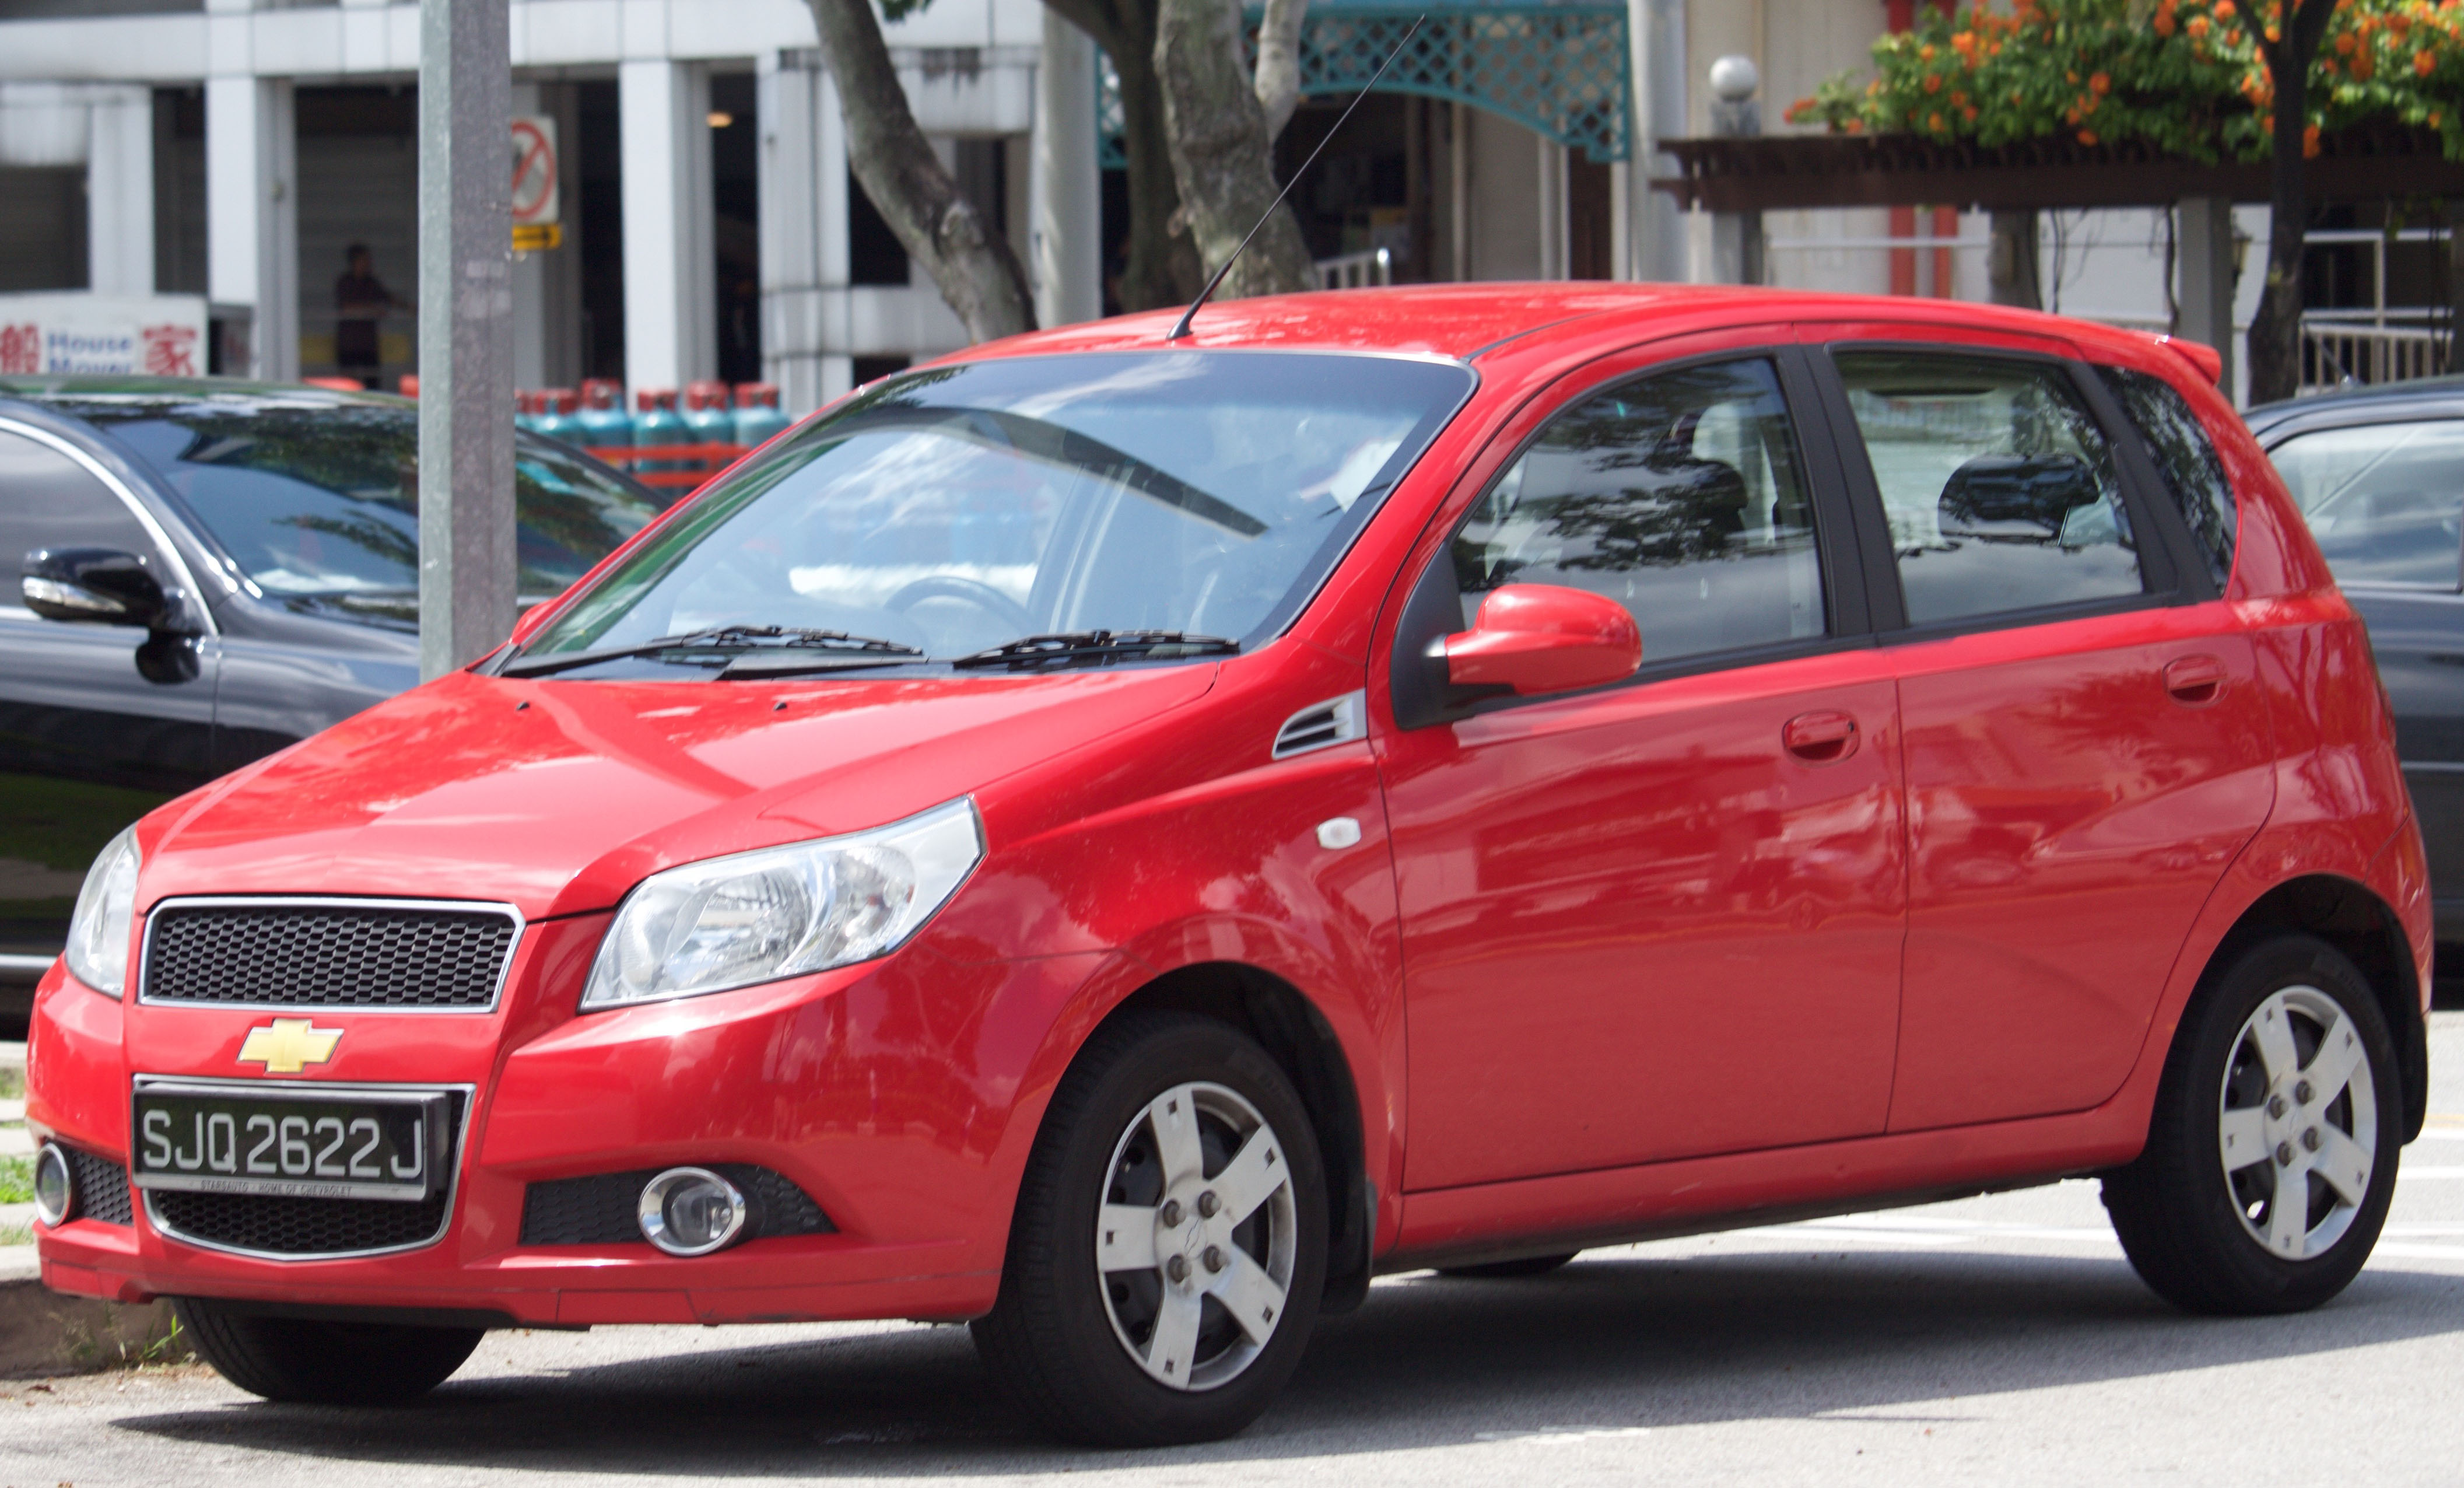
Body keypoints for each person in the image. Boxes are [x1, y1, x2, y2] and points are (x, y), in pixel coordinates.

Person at [334, 244, 405, 390]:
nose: (368, 263)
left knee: (373, 385)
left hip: (368, 344)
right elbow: (346, 308)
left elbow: (389, 298)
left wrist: (414, 308)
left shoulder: (371, 282)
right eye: (364, 260)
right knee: (348, 385)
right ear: (355, 261)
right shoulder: (345, 282)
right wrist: (372, 310)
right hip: (349, 344)